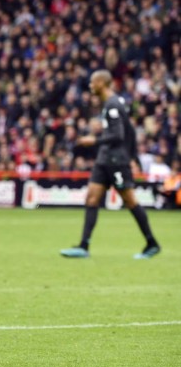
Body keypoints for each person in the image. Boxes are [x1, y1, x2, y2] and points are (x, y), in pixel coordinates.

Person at [60, 70, 161, 260]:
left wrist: (94, 140)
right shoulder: (113, 104)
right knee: (91, 198)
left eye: (92, 82)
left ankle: (152, 243)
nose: (90, 86)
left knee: (130, 200)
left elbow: (119, 135)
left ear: (101, 83)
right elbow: (129, 130)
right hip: (104, 160)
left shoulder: (113, 104)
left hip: (117, 161)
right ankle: (84, 246)